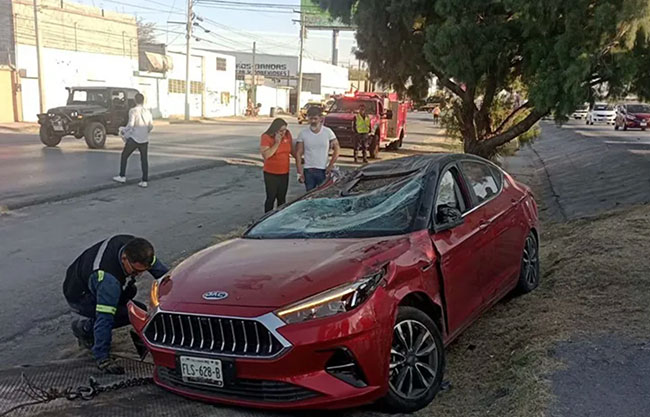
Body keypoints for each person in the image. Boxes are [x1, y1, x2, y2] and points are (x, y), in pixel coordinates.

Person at [63, 235, 168, 374]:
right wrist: (103, 358)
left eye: (143, 271)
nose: (139, 275)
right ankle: (84, 328)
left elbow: (165, 276)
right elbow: (105, 318)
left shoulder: (140, 251)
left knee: (139, 309)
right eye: (136, 271)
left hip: (92, 277)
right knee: (115, 314)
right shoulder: (108, 281)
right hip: (80, 295)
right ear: (124, 258)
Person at [113, 93, 153, 188]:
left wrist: (123, 130)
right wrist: (145, 131)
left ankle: (122, 176)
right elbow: (151, 126)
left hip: (134, 138)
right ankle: (144, 180)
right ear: (143, 101)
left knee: (124, 155)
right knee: (144, 160)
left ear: (135, 100)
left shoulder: (133, 111)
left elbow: (130, 125)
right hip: (144, 139)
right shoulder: (148, 112)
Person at [295, 106, 340, 192]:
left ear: (321, 118)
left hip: (324, 170)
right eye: (310, 118)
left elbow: (337, 149)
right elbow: (298, 153)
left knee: (322, 194)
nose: (313, 121)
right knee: (309, 195)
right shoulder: (303, 133)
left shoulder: (328, 132)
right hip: (308, 170)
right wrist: (299, 172)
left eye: (315, 119)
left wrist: (330, 165)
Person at [260, 118, 294, 212]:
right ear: (275, 130)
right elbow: (267, 155)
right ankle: (267, 217)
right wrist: (277, 143)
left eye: (285, 130)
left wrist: (299, 159)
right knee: (271, 197)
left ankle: (280, 216)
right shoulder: (266, 137)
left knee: (282, 198)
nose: (283, 133)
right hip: (271, 173)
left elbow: (291, 149)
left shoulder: (287, 135)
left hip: (284, 172)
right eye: (281, 131)